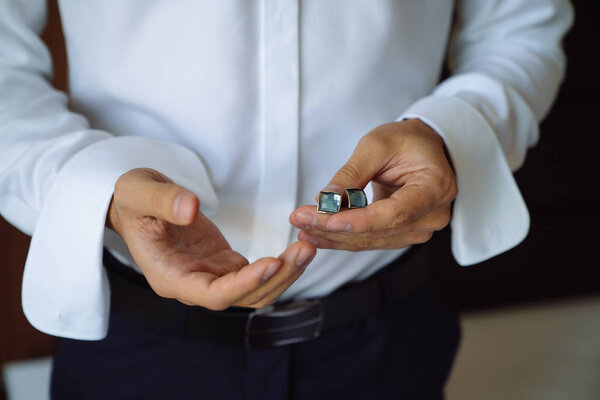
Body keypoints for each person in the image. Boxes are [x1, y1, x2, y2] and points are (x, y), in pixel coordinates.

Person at [0, 1, 573, 399]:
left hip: (387, 342)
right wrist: (95, 192)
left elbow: (520, 28)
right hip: (133, 345)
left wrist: (447, 137)